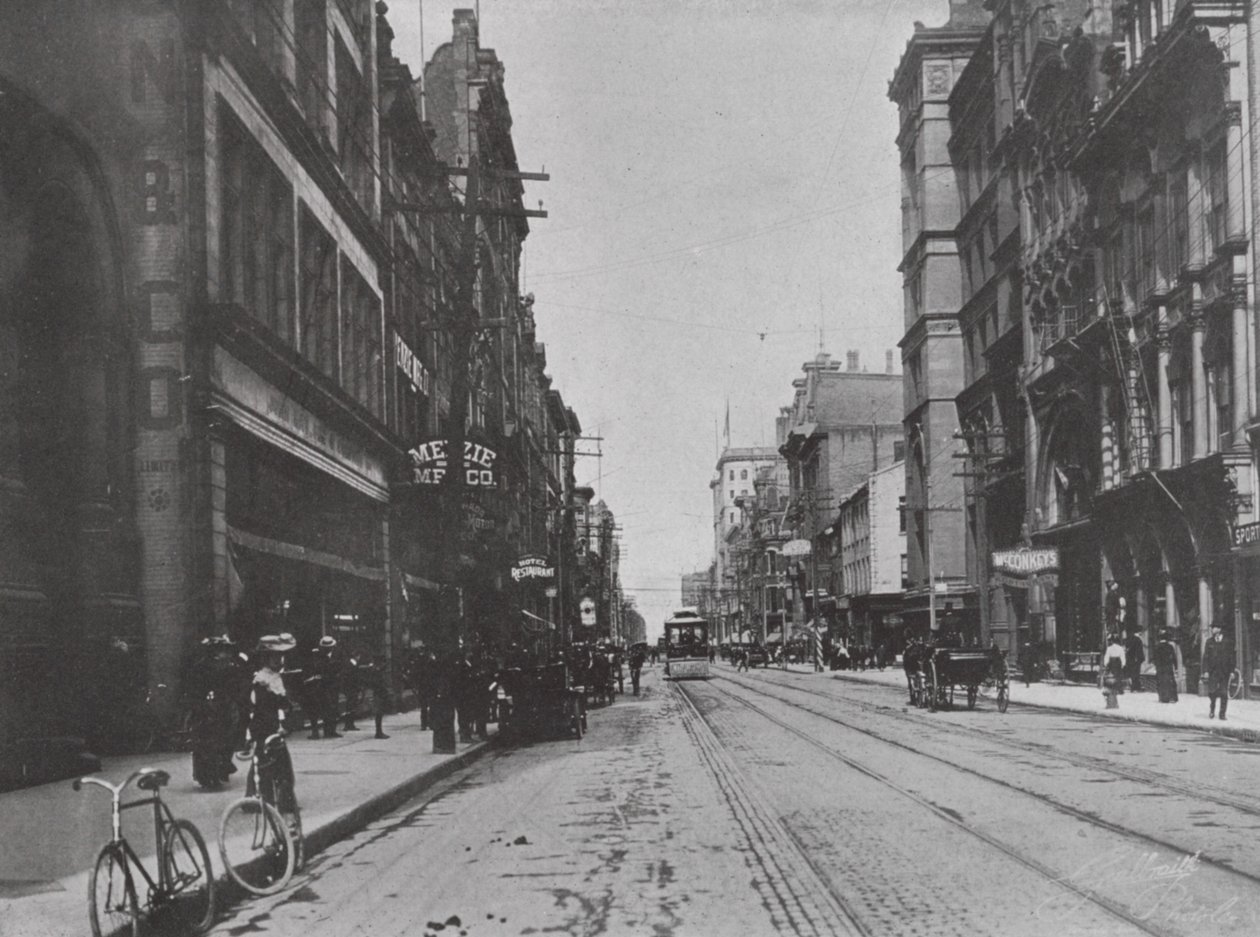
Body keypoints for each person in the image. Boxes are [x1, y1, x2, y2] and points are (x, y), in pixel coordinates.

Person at [242, 633, 298, 815]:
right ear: (266, 658)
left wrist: (285, 709)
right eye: (274, 657)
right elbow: (262, 707)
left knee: (273, 763)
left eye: (280, 657)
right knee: (265, 764)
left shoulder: (274, 677)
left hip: (271, 724)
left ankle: (278, 800)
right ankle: (261, 801)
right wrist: (278, 724)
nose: (278, 660)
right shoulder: (262, 679)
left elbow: (281, 702)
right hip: (264, 726)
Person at [306, 636, 343, 739]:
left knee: (333, 708)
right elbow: (315, 669)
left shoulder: (337, 654)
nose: (328, 649)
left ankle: (330, 731)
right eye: (326, 647)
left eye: (329, 647)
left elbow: (340, 668)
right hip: (320, 686)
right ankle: (317, 732)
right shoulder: (317, 656)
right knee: (318, 709)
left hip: (332, 686)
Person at [1202, 622, 1234, 720]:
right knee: (1212, 692)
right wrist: (1206, 671)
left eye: (1214, 628)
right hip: (1213, 672)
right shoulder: (1209, 642)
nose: (1212, 630)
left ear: (1219, 629)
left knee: (1224, 693)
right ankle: (1212, 710)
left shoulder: (1228, 642)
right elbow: (1206, 657)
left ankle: (1222, 714)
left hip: (1224, 672)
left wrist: (1232, 671)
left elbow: (1231, 657)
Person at [359, 655, 391, 739]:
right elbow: (377, 683)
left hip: (379, 693)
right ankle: (378, 732)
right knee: (379, 713)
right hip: (378, 693)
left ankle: (379, 732)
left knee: (380, 713)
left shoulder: (376, 671)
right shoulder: (376, 671)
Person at [1153, 630, 1179, 703]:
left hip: (1160, 668)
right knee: (1170, 682)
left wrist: (1156, 666)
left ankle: (1163, 698)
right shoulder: (1170, 647)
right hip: (1168, 667)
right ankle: (1172, 697)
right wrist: (1176, 667)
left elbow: (1155, 658)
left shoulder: (1157, 647)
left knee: (1161, 682)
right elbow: (1174, 658)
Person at [1101, 633, 1126, 709]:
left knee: (1111, 677)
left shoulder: (1109, 648)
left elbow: (1106, 657)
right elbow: (1123, 657)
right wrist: (1123, 665)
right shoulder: (1120, 648)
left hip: (1112, 663)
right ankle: (1119, 689)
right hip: (1118, 663)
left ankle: (1113, 689)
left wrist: (1106, 664)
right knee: (1118, 676)